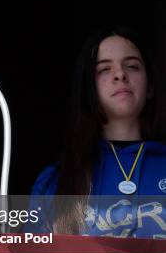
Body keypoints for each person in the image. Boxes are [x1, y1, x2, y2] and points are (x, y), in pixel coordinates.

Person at [28, 26, 166, 237]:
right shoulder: (56, 180)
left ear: (150, 87)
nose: (120, 74)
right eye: (104, 69)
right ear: (89, 89)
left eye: (132, 66)